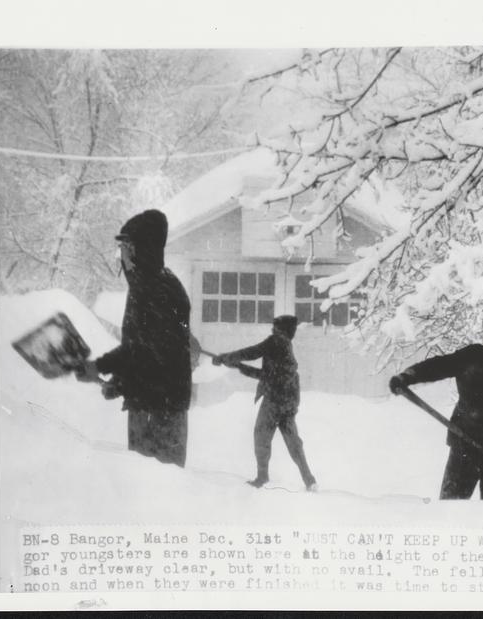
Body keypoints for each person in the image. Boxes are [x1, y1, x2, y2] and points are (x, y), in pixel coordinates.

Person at [77, 209, 192, 467]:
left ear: (143, 248)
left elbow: (142, 349)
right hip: (154, 405)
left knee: (155, 488)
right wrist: (120, 383)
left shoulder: (157, 290)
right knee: (149, 485)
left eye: (127, 246)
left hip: (158, 410)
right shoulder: (153, 285)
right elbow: (146, 354)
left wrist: (100, 366)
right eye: (122, 248)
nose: (123, 255)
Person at [389, 307, 483, 500]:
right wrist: (408, 376)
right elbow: (438, 366)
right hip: (464, 446)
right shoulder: (472, 356)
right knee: (450, 509)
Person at [213, 315, 317, 491]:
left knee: (261, 436)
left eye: (275, 327)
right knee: (293, 441)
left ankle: (262, 476)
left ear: (280, 329)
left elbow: (252, 352)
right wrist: (238, 366)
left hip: (275, 401)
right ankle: (309, 480)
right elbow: (268, 375)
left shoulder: (276, 341)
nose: (272, 331)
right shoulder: (286, 346)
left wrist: (227, 358)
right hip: (288, 401)